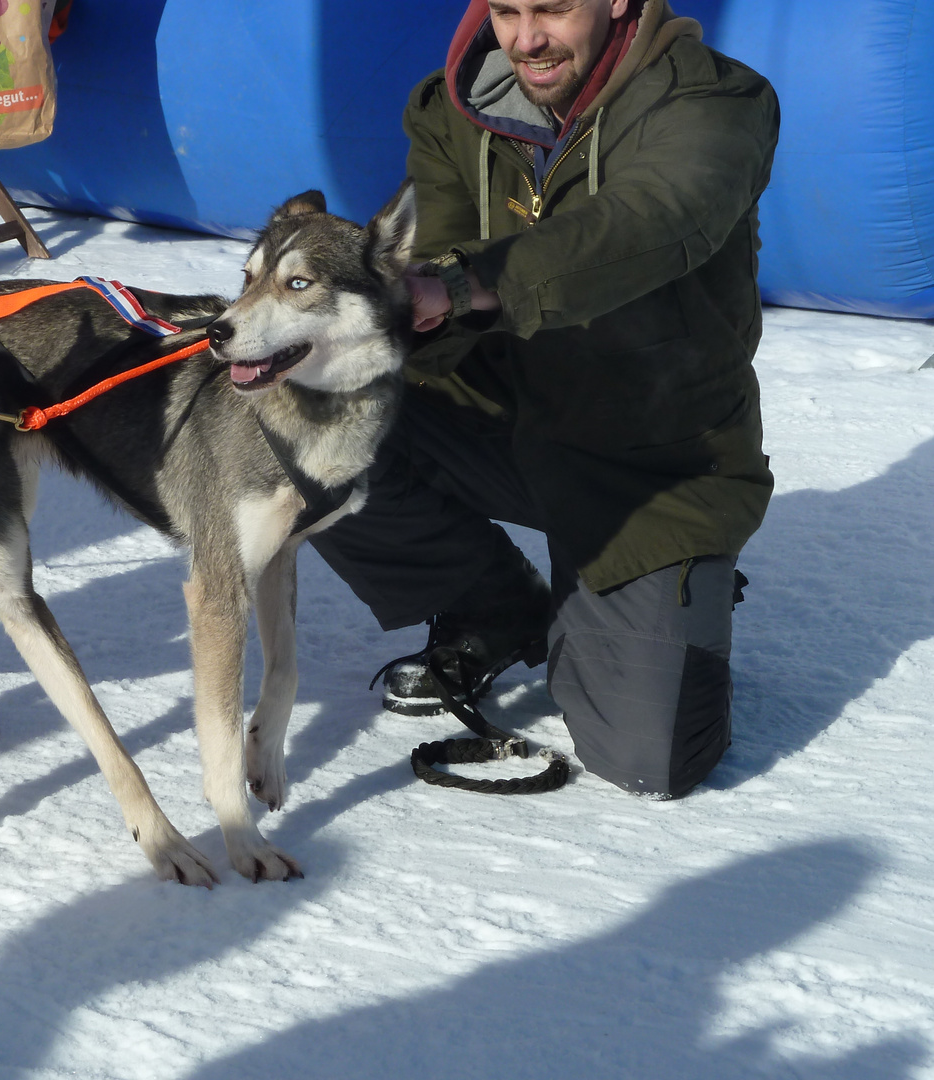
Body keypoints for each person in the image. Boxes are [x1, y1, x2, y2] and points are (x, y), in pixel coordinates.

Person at [308, 0, 779, 798]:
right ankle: (491, 607)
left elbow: (646, 224)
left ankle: (670, 584)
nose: (527, 39)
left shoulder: (715, 103)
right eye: (507, 11)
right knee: (305, 422)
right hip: (495, 418)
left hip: (649, 462)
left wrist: (471, 282)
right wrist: (381, 310)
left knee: (650, 761)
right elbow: (436, 246)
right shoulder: (453, 105)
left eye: (554, 10)